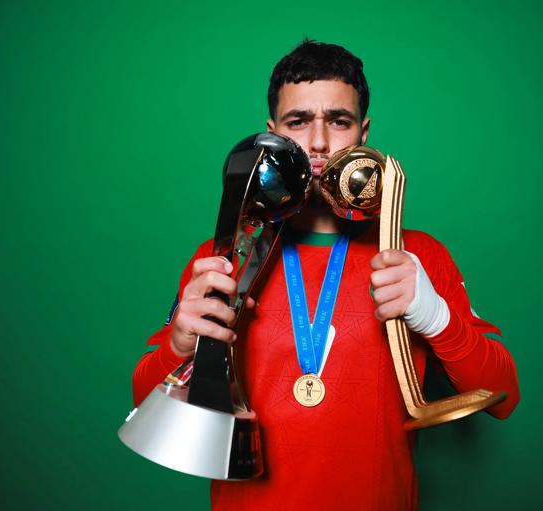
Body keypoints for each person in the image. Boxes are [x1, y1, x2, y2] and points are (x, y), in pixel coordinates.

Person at [132, 39, 520, 511]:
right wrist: (179, 344)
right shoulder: (224, 257)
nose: (317, 143)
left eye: (338, 121)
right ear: (272, 134)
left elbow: (503, 397)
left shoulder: (416, 256)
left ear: (363, 133)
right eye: (298, 122)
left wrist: (436, 318)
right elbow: (144, 400)